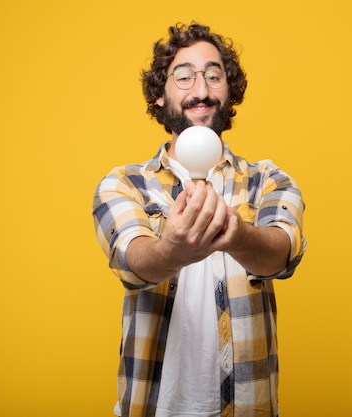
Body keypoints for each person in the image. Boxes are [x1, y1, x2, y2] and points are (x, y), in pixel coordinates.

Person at [92, 22, 307, 417]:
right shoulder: (125, 183)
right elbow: (131, 260)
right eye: (184, 76)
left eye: (214, 75)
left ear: (230, 91)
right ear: (160, 94)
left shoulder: (268, 180)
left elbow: (282, 255)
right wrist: (170, 249)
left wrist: (237, 236)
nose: (202, 90)